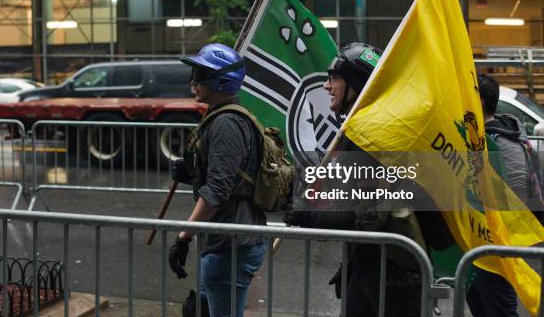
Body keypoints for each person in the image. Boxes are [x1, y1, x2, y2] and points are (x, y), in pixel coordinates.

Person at [285, 42, 430, 317]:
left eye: (334, 78)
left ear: (356, 83)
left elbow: (359, 212)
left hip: (394, 274)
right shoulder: (360, 130)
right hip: (367, 263)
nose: (327, 86)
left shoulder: (372, 137)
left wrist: (308, 217)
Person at [168, 43, 268, 317]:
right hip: (223, 239)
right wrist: (192, 176)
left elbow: (218, 191)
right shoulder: (220, 117)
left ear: (220, 80)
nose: (193, 81)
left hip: (230, 244)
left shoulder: (227, 123)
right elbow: (230, 178)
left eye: (201, 74)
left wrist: (183, 237)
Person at [466, 74, 522, 317]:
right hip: (475, 244)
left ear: (479, 101)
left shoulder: (501, 143)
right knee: (480, 306)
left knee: (500, 309)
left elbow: (517, 195)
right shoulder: (476, 138)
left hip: (497, 245)